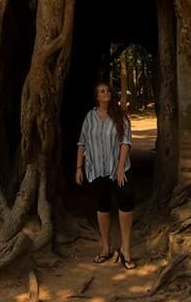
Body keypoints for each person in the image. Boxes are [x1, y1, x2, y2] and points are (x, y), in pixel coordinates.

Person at [76, 81, 136, 269]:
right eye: (102, 91)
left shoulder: (121, 117)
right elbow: (82, 143)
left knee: (126, 201)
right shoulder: (89, 117)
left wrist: (119, 168)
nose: (106, 93)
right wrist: (79, 168)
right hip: (96, 169)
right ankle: (106, 248)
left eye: (108, 91)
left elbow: (125, 143)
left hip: (117, 169)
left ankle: (126, 249)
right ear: (97, 97)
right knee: (102, 207)